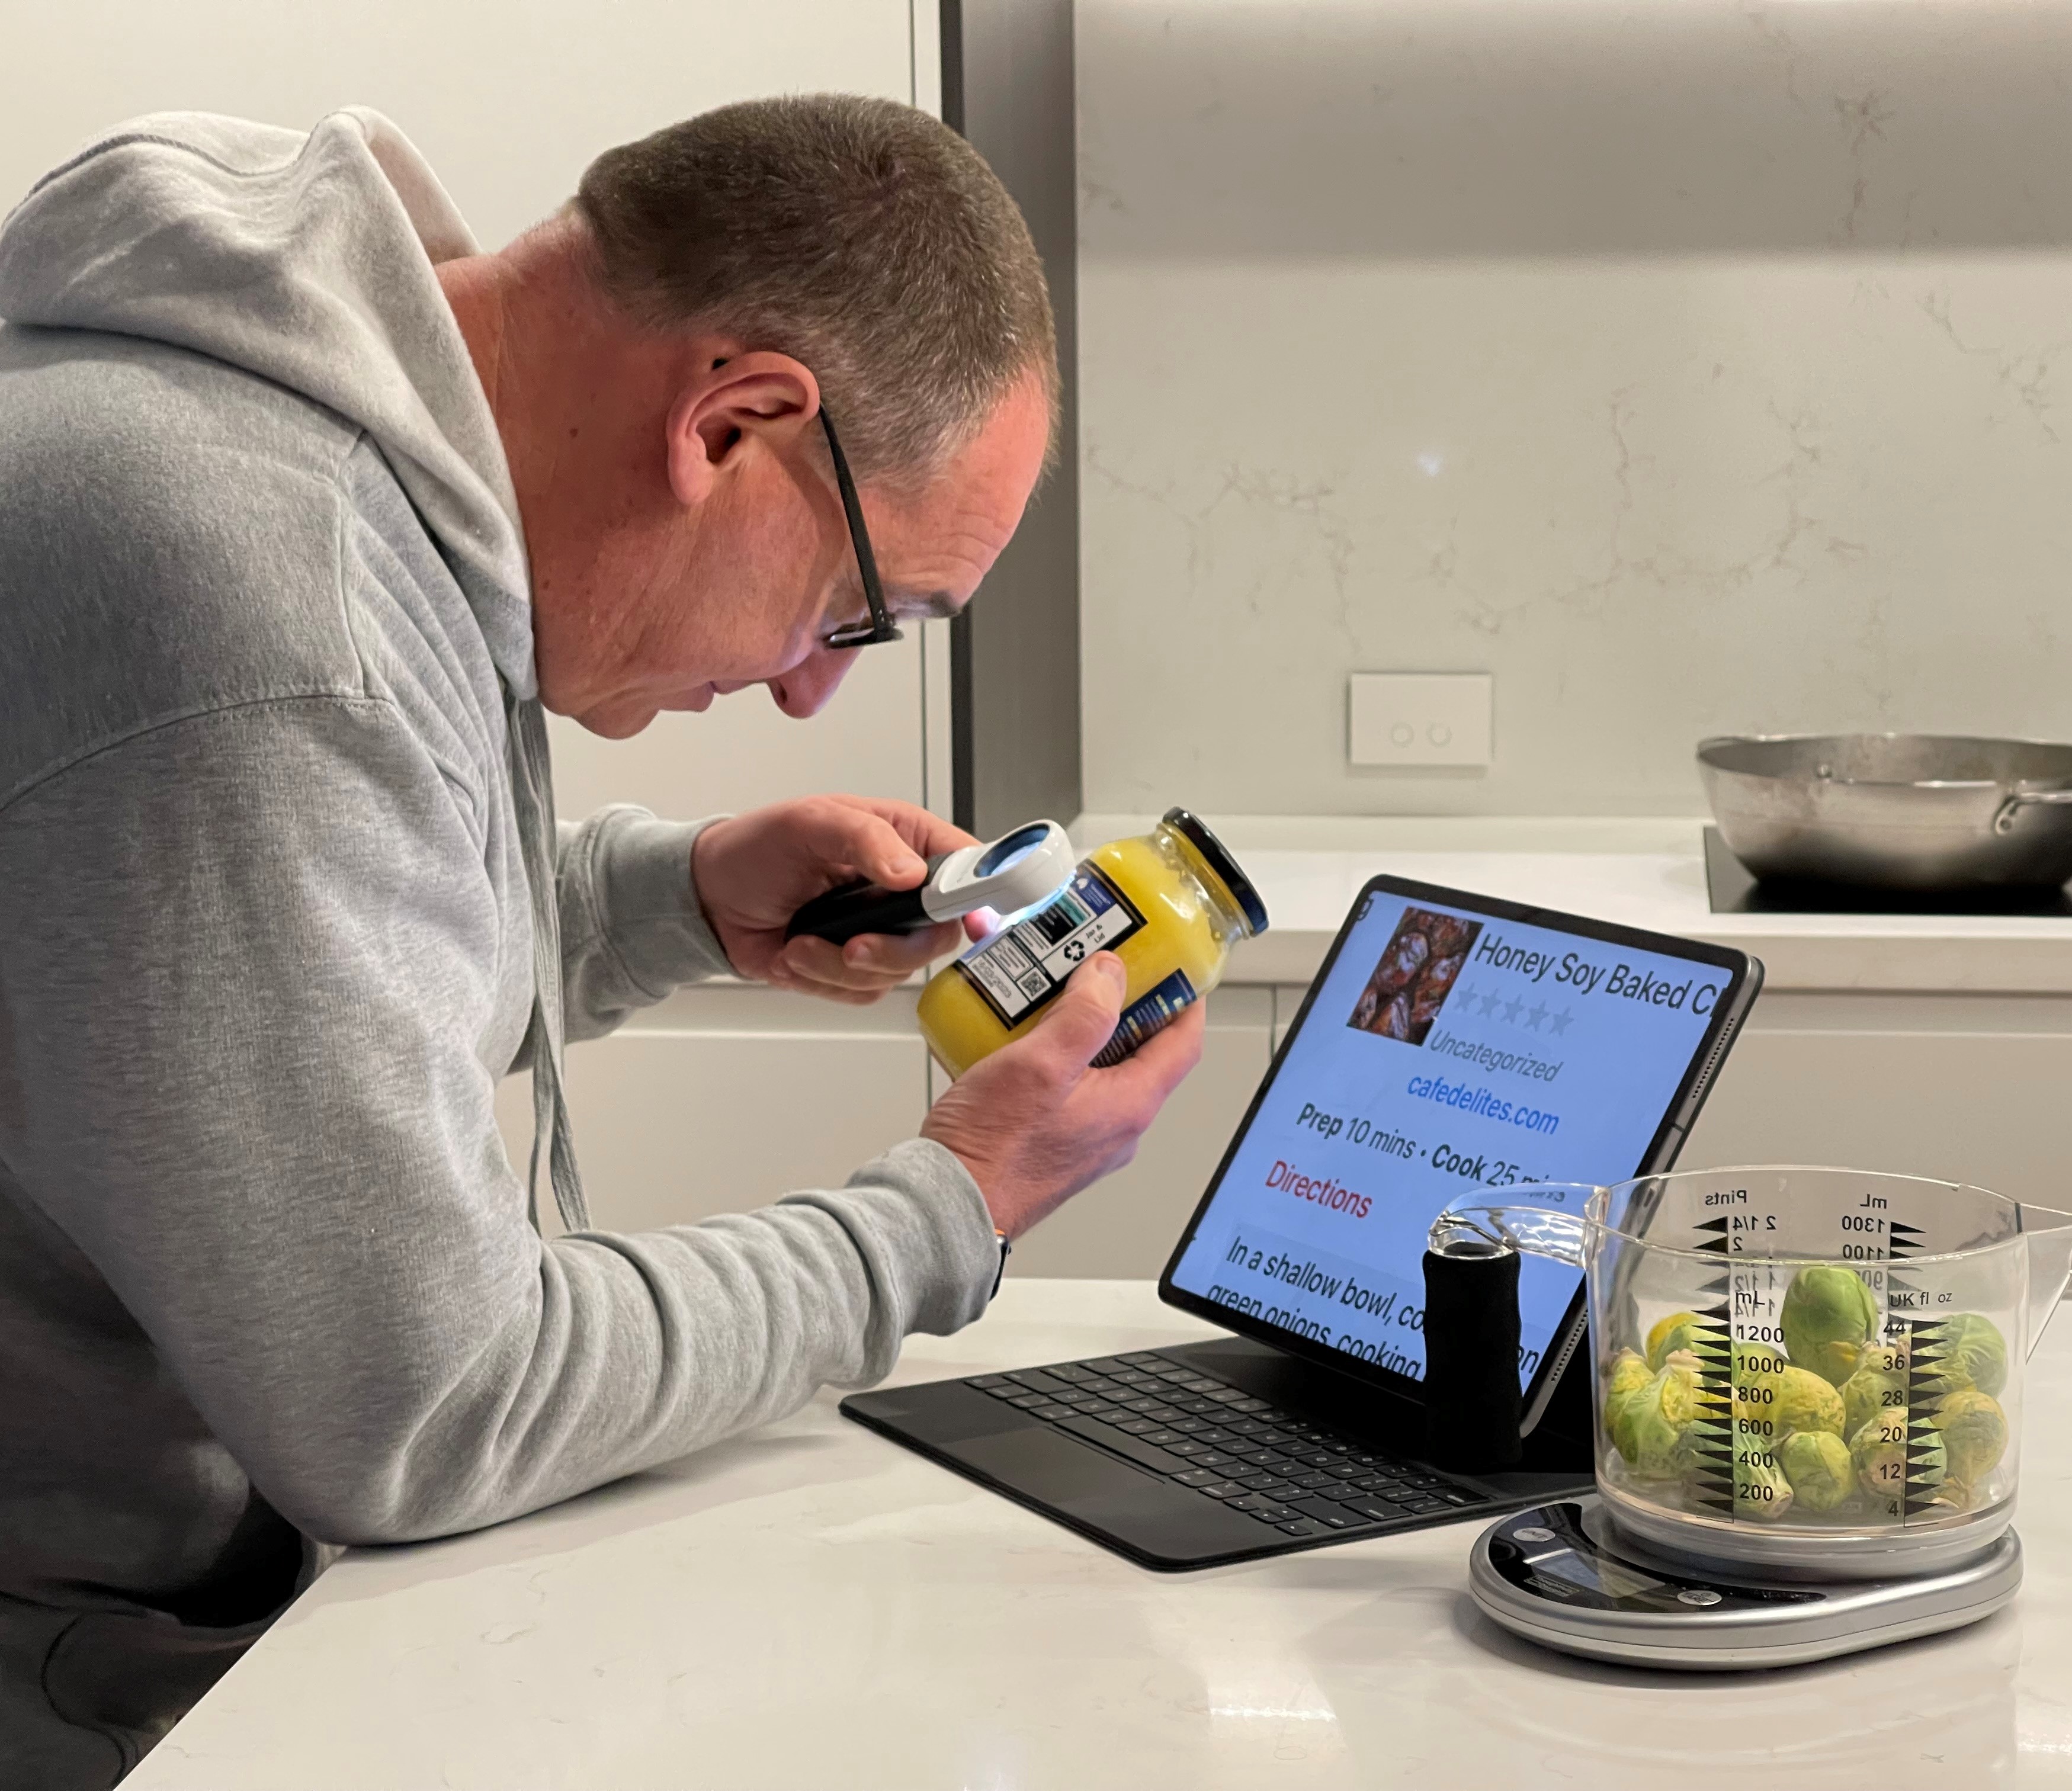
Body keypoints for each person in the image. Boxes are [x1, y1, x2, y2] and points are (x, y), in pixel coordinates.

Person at [0, 96, 1202, 1786]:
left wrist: (672, 896)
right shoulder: (272, 622)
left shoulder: (271, 455)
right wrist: (954, 1206)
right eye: (859, 611)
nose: (808, 685)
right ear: (733, 420)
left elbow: (254, 990)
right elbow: (426, 1410)